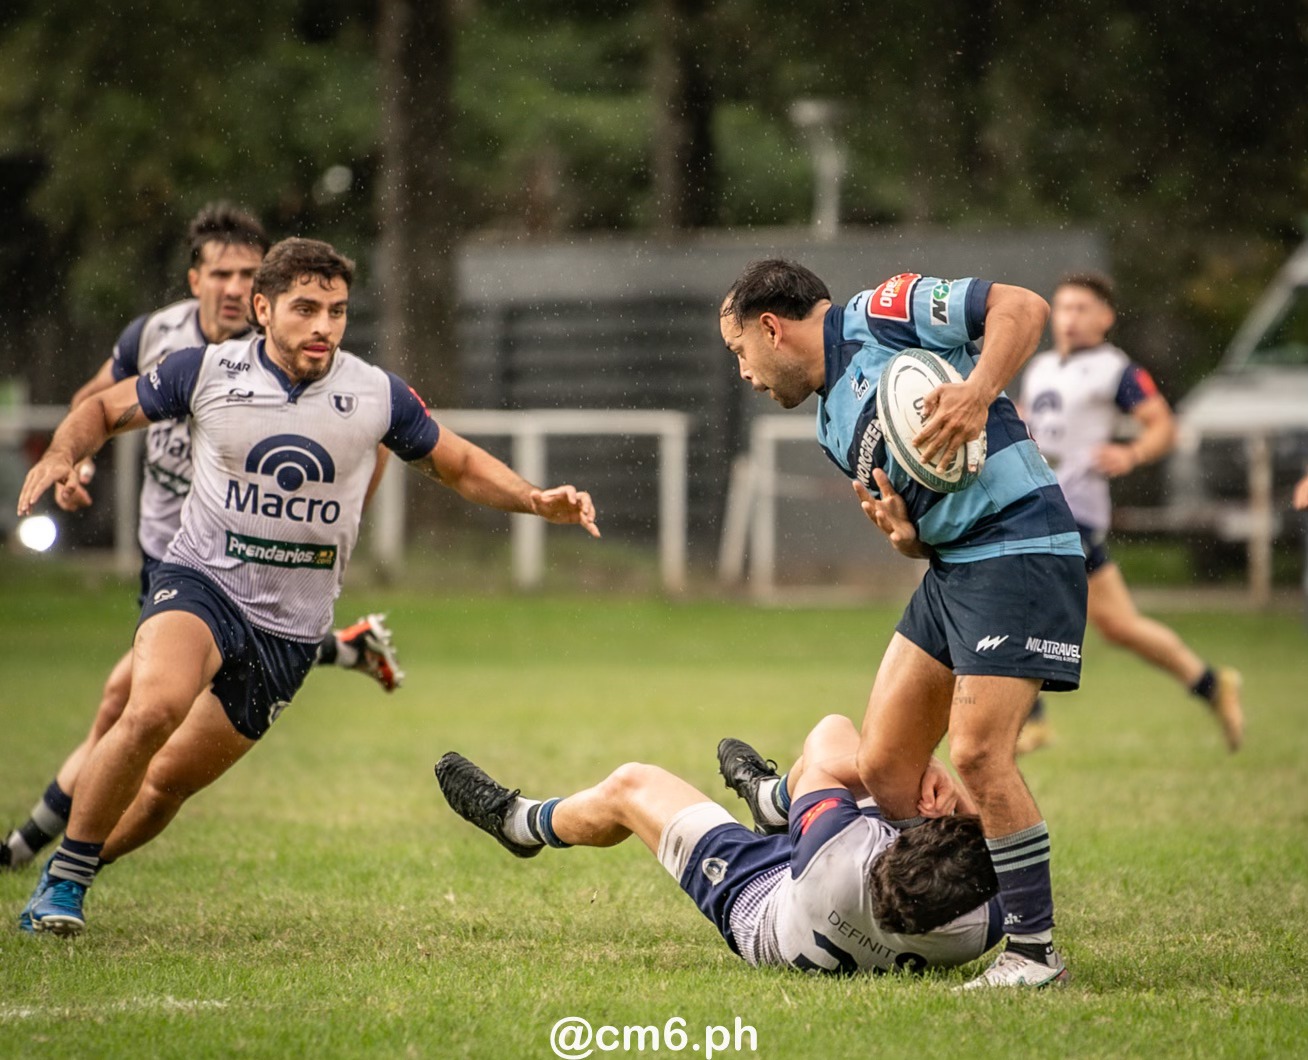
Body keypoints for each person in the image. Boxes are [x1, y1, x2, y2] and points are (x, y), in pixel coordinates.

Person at [15, 236, 599, 936]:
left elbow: (458, 464)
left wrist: (536, 500)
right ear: (262, 309)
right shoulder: (203, 370)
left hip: (290, 630)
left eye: (337, 311)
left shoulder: (374, 392)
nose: (323, 326)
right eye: (304, 309)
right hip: (200, 581)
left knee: (170, 784)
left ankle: (68, 869)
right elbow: (103, 411)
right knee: (149, 711)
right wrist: (61, 455)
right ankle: (64, 883)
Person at [1, 205, 400, 876]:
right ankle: (346, 648)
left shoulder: (290, 350)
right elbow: (93, 401)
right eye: (222, 272)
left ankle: (27, 851)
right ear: (195, 279)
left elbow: (374, 434)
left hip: (236, 564)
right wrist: (78, 462)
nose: (235, 287)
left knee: (131, 711)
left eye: (249, 273)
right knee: (135, 713)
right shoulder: (158, 339)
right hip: (174, 559)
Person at [719, 260, 1085, 989]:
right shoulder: (830, 420)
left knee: (979, 754)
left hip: (1018, 545)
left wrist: (979, 392)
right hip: (952, 566)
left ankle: (1034, 952)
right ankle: (959, 907)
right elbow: (922, 512)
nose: (744, 374)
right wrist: (906, 538)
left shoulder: (881, 311)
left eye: (738, 352)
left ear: (770, 327)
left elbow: (1023, 305)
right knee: (887, 766)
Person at [436, 714, 1005, 976]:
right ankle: (770, 805)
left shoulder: (841, 850)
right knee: (873, 773)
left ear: (888, 845)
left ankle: (519, 823)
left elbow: (831, 738)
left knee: (631, 786)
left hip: (766, 910)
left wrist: (919, 769)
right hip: (832, 898)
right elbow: (1006, 844)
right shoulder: (983, 926)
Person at [1018, 272, 1244, 754]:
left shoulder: (1112, 369)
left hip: (1073, 510)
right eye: (1064, 307)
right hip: (1042, 501)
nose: (1071, 318)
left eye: (1082, 308)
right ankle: (1211, 684)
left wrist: (1132, 454)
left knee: (1024, 590)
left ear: (1105, 318)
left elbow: (1163, 424)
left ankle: (1032, 719)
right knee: (1120, 626)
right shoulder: (1039, 369)